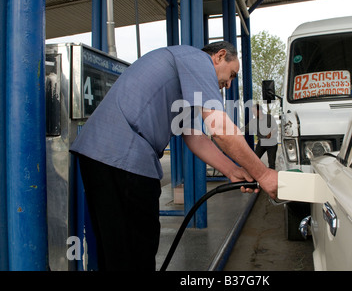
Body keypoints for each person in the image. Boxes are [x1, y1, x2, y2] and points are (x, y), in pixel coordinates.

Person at [69, 41, 278, 271]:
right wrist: (264, 173)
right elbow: (219, 129)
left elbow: (195, 137)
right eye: (231, 75)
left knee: (116, 251)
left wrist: (232, 171)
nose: (228, 84)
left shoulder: (183, 76)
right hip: (123, 158)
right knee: (136, 253)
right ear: (219, 56)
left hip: (100, 155)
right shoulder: (198, 61)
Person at [246, 104, 278, 169]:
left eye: (254, 112)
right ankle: (257, 176)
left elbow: (275, 128)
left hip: (272, 142)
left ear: (259, 111)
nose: (254, 113)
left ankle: (271, 177)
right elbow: (244, 129)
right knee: (254, 160)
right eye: (253, 112)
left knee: (271, 163)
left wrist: (271, 133)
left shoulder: (269, 117)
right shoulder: (253, 121)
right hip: (261, 143)